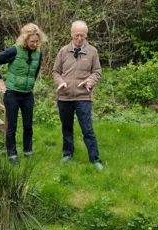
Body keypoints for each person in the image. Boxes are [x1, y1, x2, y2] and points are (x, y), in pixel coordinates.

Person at [0, 23, 47, 164]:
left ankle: (28, 151)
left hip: (27, 95)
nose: (35, 44)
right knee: (12, 126)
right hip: (12, 94)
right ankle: (12, 154)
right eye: (32, 41)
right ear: (25, 39)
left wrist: (31, 83)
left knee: (28, 125)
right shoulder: (14, 50)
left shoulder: (39, 53)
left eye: (37, 41)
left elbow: (36, 69)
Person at [52, 20, 103, 170]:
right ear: (71, 34)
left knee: (87, 129)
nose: (79, 39)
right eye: (76, 36)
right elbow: (55, 71)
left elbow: (97, 72)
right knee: (66, 127)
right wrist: (60, 82)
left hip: (83, 97)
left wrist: (90, 81)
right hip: (65, 96)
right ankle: (68, 153)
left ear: (86, 35)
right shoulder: (63, 51)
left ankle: (95, 159)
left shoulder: (92, 51)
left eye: (82, 35)